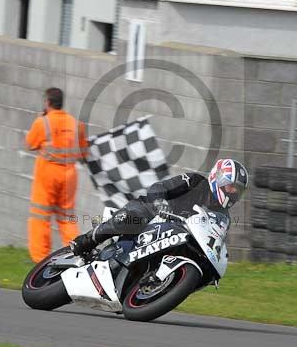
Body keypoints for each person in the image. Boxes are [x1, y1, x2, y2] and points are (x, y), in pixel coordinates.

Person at [70, 159, 249, 259]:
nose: (233, 193)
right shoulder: (195, 182)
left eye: (237, 190)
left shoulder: (222, 216)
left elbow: (214, 240)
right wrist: (160, 203)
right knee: (132, 218)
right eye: (231, 186)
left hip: (177, 238)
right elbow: (160, 187)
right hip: (153, 214)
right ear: (218, 179)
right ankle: (88, 240)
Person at [25, 88, 88, 262]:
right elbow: (85, 152)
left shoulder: (42, 122)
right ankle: (77, 254)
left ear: (47, 102)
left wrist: (40, 117)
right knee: (66, 218)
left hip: (48, 173)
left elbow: (30, 143)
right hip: (69, 175)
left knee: (40, 216)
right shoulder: (76, 124)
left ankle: (40, 259)